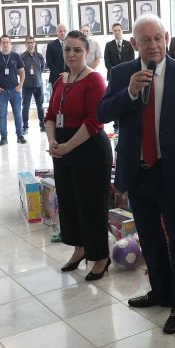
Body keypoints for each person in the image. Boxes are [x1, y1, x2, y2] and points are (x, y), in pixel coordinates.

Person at [97, 15, 175, 334]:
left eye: (158, 38)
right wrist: (129, 93)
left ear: (167, 39)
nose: (153, 45)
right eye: (145, 40)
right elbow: (103, 113)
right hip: (138, 172)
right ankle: (160, 291)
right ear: (134, 44)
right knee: (149, 237)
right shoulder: (121, 74)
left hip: (174, 172)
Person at [46, 30, 112, 280]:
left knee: (91, 205)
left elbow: (94, 121)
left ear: (87, 52)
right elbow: (50, 115)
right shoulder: (60, 80)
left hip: (89, 149)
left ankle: (101, 257)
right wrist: (53, 141)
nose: (71, 54)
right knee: (70, 203)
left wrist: (66, 146)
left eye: (77, 50)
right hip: (63, 150)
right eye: (67, 50)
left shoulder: (94, 80)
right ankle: (80, 248)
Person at [0, 35, 26, 146]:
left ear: (10, 43)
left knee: (18, 114)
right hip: (1, 92)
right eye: (3, 42)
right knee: (2, 115)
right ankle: (4, 137)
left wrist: (20, 85)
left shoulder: (16, 56)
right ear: (0, 44)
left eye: (7, 42)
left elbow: (22, 71)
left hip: (15, 90)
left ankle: (20, 135)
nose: (5, 44)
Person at [20, 36, 46, 135]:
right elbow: (19, 71)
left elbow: (42, 69)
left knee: (40, 106)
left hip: (38, 85)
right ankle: (25, 126)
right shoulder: (21, 57)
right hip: (26, 85)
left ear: (35, 44)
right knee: (25, 107)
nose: (30, 44)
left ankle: (42, 125)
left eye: (32, 42)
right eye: (28, 43)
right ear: (25, 44)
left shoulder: (40, 56)